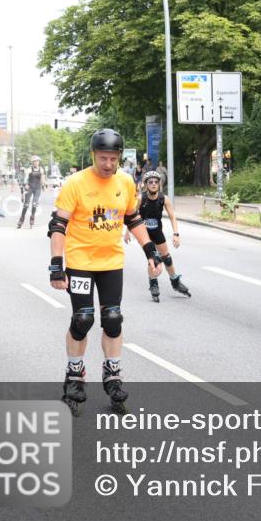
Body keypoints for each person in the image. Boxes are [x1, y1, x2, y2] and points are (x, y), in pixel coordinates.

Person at [48, 128, 163, 416]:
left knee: (113, 319)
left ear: (119, 157)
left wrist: (151, 251)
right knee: (83, 319)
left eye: (113, 158)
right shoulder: (76, 183)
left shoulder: (125, 182)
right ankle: (75, 377)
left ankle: (113, 377)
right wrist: (56, 265)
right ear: (93, 155)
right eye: (103, 158)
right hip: (80, 263)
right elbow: (58, 225)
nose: (108, 164)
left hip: (111, 263)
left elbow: (133, 218)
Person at [126, 170, 190, 301]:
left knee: (166, 258)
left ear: (159, 184)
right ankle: (153, 284)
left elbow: (172, 217)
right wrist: (128, 232)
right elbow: (131, 217)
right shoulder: (140, 199)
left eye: (156, 182)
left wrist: (176, 234)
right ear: (146, 184)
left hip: (157, 232)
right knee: (153, 258)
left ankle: (175, 281)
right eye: (150, 182)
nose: (154, 184)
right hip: (144, 234)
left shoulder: (164, 199)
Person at [18, 155, 46, 229]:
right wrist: (26, 184)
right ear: (33, 162)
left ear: (39, 162)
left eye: (37, 161)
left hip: (38, 188)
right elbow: (26, 178)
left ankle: (32, 218)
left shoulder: (41, 169)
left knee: (34, 204)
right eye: (35, 161)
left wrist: (44, 185)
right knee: (26, 205)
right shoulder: (29, 169)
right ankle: (21, 219)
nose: (36, 163)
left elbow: (42, 178)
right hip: (30, 187)